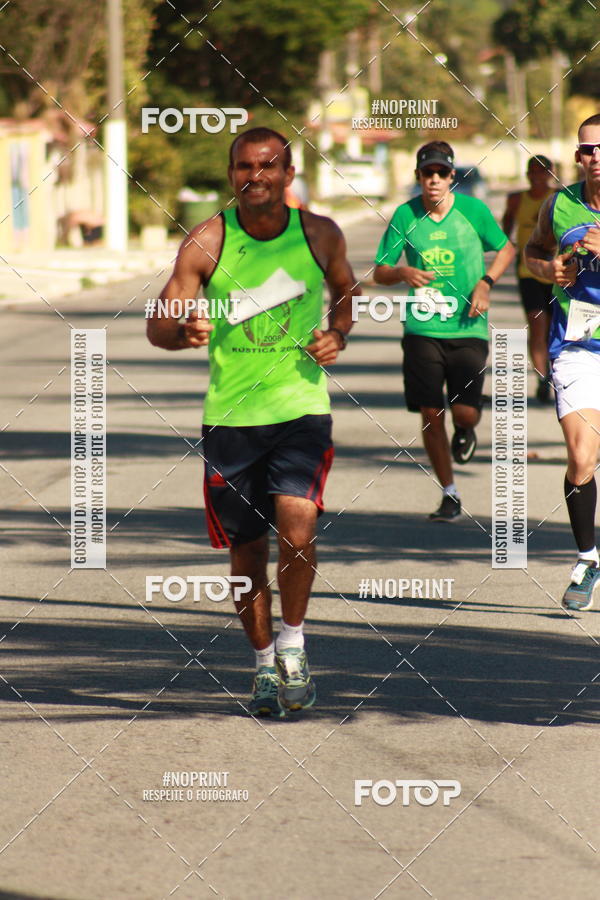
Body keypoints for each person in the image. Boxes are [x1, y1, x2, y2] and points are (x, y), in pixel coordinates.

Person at [147, 127, 356, 715]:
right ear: (231, 173)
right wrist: (181, 332)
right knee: (246, 555)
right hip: (231, 421)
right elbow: (158, 322)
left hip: (301, 411)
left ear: (288, 175)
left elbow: (345, 290)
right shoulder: (207, 241)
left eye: (268, 166)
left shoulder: (319, 234)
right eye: (244, 166)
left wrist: (337, 332)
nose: (255, 176)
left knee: (297, 527)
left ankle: (293, 643)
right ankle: (264, 664)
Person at [373, 141, 515, 521]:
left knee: (464, 412)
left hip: (468, 326)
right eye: (427, 174)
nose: (434, 181)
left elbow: (506, 250)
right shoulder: (405, 215)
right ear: (418, 177)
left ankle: (466, 430)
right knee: (430, 410)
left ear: (452, 177)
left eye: (441, 174)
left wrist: (486, 282)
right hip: (422, 326)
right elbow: (380, 271)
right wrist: (402, 271)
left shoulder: (474, 210)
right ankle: (449, 493)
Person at [525, 113, 600, 612]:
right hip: (579, 344)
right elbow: (532, 250)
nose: (596, 158)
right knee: (581, 457)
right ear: (578, 157)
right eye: (588, 150)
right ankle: (588, 557)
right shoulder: (559, 204)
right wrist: (546, 269)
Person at [502, 155, 555, 402]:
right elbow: (505, 230)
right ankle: (542, 377)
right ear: (527, 174)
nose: (537, 176)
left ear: (550, 174)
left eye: (542, 171)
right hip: (528, 272)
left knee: (558, 329)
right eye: (533, 171)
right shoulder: (516, 200)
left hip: (559, 273)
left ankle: (557, 372)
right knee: (537, 325)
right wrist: (506, 248)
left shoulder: (560, 198)